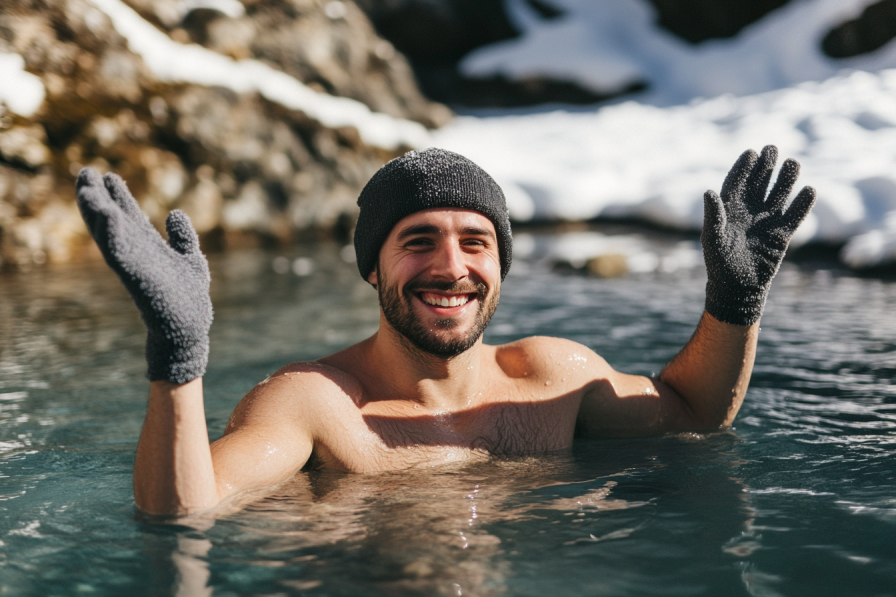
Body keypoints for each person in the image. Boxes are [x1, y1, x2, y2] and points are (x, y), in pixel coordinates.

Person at [75, 146, 816, 516]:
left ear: (500, 265)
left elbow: (694, 414)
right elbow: (185, 508)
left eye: (475, 242)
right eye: (419, 240)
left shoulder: (553, 378)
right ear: (373, 269)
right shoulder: (314, 404)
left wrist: (734, 303)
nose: (452, 267)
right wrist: (179, 358)